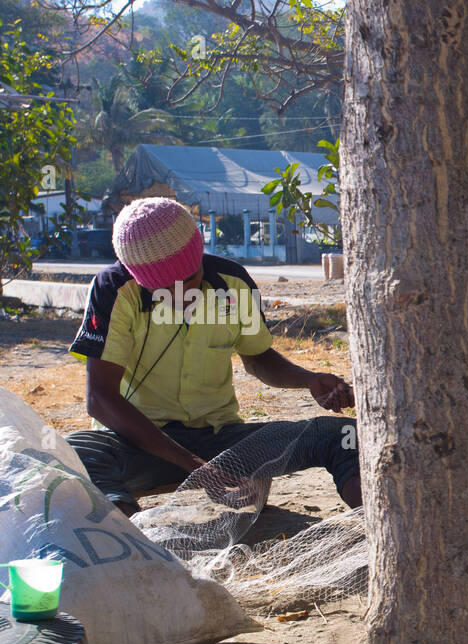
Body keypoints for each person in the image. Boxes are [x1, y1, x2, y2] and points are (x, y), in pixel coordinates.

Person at [65, 197, 361, 516]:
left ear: (199, 256)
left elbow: (258, 357)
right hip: (141, 446)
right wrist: (194, 466)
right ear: (139, 278)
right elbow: (99, 398)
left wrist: (308, 379)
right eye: (163, 289)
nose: (180, 296)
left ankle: (375, 529)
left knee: (348, 435)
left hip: (223, 444)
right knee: (73, 452)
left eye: (188, 281)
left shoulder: (234, 285)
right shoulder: (113, 290)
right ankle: (135, 545)